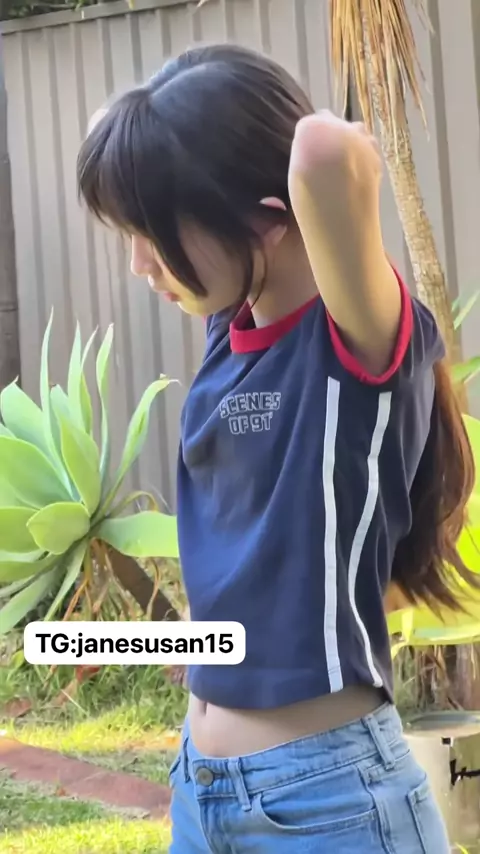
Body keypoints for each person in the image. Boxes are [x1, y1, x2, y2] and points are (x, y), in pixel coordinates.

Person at [77, 44, 476, 853]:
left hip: (331, 803)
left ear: (268, 216)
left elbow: (326, 150)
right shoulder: (231, 330)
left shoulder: (356, 342)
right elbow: (105, 129)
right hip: (203, 791)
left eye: (155, 232)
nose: (140, 264)